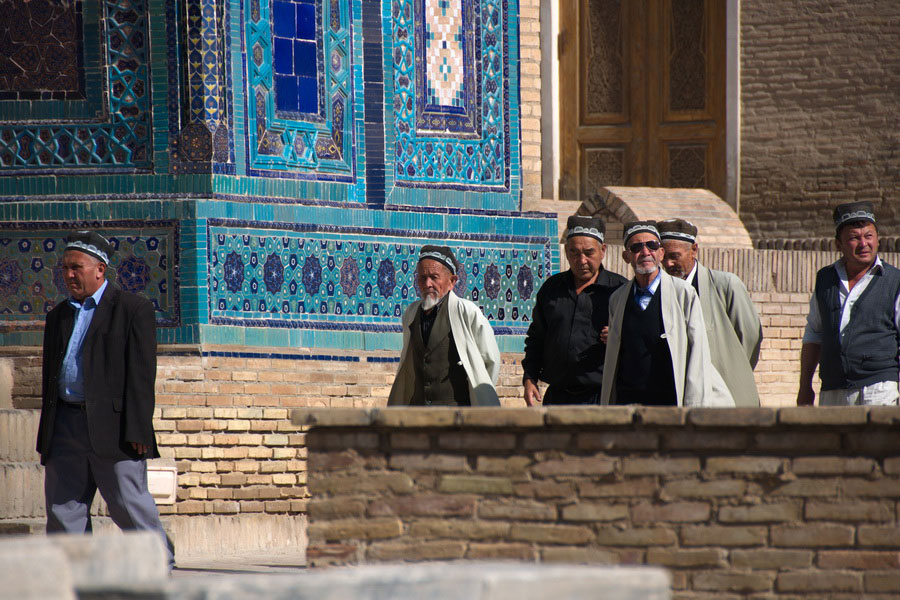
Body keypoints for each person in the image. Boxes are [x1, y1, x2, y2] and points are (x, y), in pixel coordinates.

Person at [36, 231, 174, 567]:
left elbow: (141, 375)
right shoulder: (59, 316)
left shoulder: (131, 309)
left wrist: (139, 429)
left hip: (112, 428)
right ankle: (72, 574)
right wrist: (48, 433)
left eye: (76, 267)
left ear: (100, 269)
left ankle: (159, 563)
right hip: (66, 425)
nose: (69, 275)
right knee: (63, 508)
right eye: (65, 268)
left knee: (129, 504)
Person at [601, 221, 733, 407]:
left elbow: (698, 354)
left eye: (652, 245)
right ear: (626, 256)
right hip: (628, 405)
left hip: (670, 405)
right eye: (637, 247)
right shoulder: (618, 299)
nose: (645, 252)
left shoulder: (684, 294)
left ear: (661, 253)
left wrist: (693, 408)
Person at [797, 201, 900, 406]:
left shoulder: (895, 281)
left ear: (877, 239)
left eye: (868, 236)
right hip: (832, 390)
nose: (863, 244)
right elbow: (814, 334)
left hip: (879, 390)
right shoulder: (825, 280)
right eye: (854, 238)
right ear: (838, 244)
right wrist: (804, 386)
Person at [522, 215, 627, 405]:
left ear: (602, 251)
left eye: (589, 253)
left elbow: (637, 341)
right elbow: (537, 338)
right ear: (566, 252)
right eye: (575, 253)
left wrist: (618, 337)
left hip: (601, 398)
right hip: (557, 398)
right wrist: (529, 379)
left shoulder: (620, 291)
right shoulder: (552, 289)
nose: (582, 260)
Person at [658, 218, 763, 407]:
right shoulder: (661, 290)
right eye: (663, 257)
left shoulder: (726, 285)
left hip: (726, 394)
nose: (668, 263)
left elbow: (750, 337)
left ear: (694, 250)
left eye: (675, 256)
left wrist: (733, 368)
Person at [388, 245, 501, 406]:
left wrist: (480, 398)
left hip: (458, 417)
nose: (427, 284)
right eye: (422, 277)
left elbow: (491, 361)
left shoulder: (467, 312)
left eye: (434, 277)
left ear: (452, 281)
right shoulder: (411, 314)